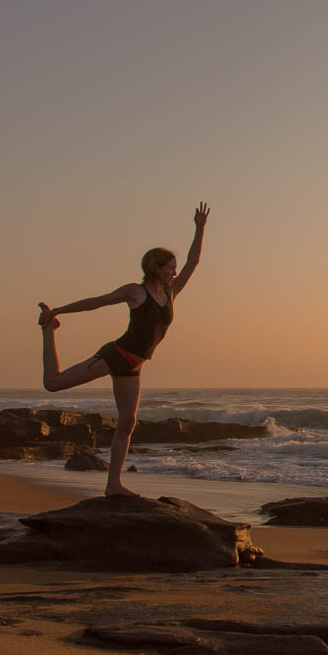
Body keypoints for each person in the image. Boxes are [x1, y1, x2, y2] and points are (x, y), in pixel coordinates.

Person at [37, 202, 209, 497]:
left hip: (135, 364)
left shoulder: (170, 293)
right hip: (116, 355)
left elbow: (193, 263)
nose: (174, 272)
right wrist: (60, 311)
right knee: (53, 384)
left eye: (174, 268)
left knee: (128, 422)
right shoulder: (136, 291)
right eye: (170, 268)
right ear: (155, 268)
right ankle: (48, 332)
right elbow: (97, 301)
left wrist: (199, 229)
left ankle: (113, 484)